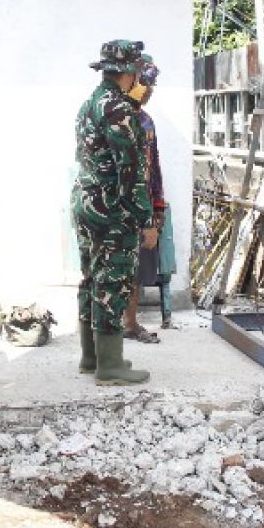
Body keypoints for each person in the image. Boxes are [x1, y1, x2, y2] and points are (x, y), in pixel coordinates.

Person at [73, 39, 157, 385]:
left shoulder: (90, 103)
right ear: (130, 71)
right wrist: (146, 220)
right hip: (112, 211)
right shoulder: (119, 110)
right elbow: (131, 172)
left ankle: (91, 357)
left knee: (91, 278)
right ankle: (110, 366)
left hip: (86, 204)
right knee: (113, 281)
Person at [121, 54, 176, 343]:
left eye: (152, 86)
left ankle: (130, 323)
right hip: (116, 207)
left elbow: (153, 168)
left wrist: (158, 207)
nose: (149, 91)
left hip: (142, 206)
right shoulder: (114, 117)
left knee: (137, 267)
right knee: (112, 268)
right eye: (146, 85)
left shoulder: (146, 122)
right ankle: (106, 327)